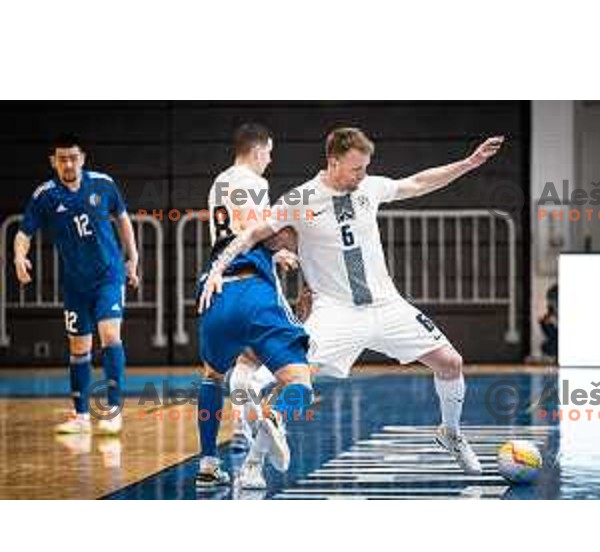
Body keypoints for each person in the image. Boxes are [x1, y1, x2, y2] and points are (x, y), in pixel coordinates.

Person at [200, 127, 504, 477]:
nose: (362, 175)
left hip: (388, 306)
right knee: (297, 381)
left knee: (451, 363)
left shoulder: (369, 187)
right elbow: (252, 233)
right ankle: (254, 462)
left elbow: (418, 183)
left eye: (366, 168)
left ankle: (450, 433)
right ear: (333, 162)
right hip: (336, 314)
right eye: (356, 168)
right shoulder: (301, 198)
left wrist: (469, 162)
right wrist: (218, 269)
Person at [195, 123, 312, 489]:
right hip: (252, 288)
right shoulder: (256, 183)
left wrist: (270, 254)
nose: (271, 160)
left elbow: (231, 236)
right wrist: (283, 246)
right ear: (259, 151)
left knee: (212, 377)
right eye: (270, 153)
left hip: (217, 290)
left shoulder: (218, 182)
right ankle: (271, 417)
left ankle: (209, 462)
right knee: (300, 381)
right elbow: (253, 231)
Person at [13, 134, 139, 435]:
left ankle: (112, 409)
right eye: (62, 158)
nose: (68, 163)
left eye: (73, 157)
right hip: (75, 284)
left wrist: (132, 258)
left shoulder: (103, 184)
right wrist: (19, 257)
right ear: (53, 162)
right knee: (79, 347)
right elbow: (24, 232)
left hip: (108, 276)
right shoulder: (45, 195)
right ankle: (81, 416)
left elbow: (122, 219)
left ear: (82, 158)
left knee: (110, 335)